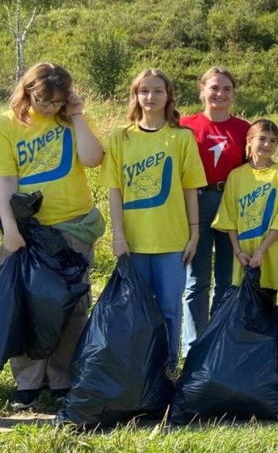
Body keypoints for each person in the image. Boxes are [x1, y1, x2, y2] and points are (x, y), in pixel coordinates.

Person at [0, 63, 104, 411]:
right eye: (43, 101)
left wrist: (76, 114)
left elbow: (92, 159)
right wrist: (11, 231)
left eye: (57, 102)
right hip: (29, 232)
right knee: (27, 305)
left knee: (71, 305)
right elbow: (5, 182)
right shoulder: (8, 124)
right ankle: (28, 383)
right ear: (27, 91)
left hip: (73, 227)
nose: (49, 108)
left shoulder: (68, 119)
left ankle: (63, 379)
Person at [103, 69, 207, 372]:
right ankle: (139, 370)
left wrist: (194, 234)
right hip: (134, 241)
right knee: (135, 309)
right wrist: (118, 236)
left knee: (170, 309)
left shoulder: (181, 137)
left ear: (169, 96)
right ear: (135, 96)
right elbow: (114, 191)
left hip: (172, 239)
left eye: (157, 91)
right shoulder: (120, 137)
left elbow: (190, 190)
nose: (150, 97)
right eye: (144, 91)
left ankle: (167, 368)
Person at [180, 67, 250, 352]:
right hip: (196, 201)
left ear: (233, 94)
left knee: (225, 276)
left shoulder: (243, 129)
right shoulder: (186, 125)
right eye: (214, 88)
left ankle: (218, 340)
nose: (220, 94)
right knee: (196, 279)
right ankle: (194, 346)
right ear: (202, 90)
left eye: (226, 89)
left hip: (230, 201)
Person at [212, 120, 278, 301]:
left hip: (270, 253)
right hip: (243, 253)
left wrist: (261, 251)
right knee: (240, 307)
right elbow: (229, 217)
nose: (267, 144)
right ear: (249, 140)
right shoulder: (236, 176)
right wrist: (238, 251)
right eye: (262, 138)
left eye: (273, 140)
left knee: (266, 305)